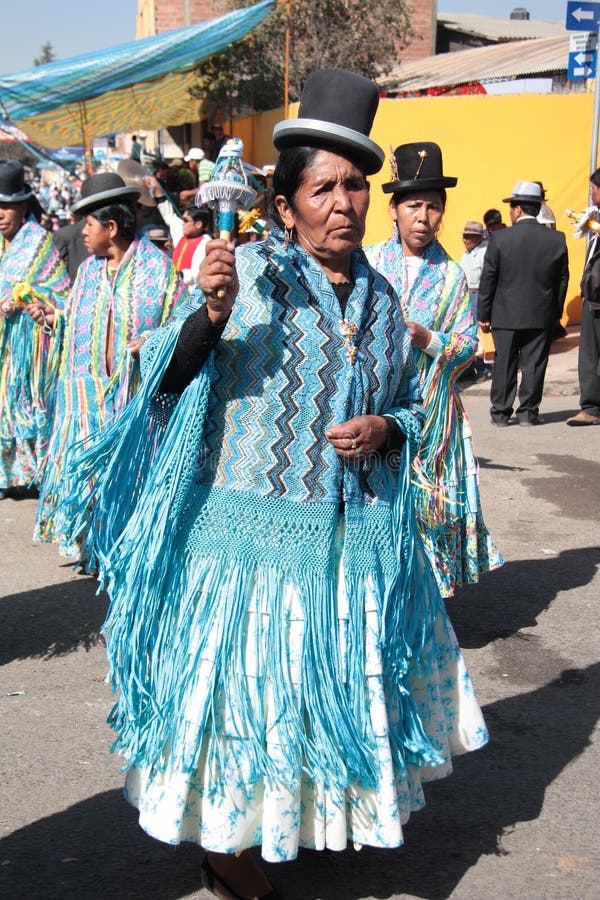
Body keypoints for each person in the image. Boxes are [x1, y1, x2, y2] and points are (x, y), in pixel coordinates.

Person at [70, 71, 488, 897]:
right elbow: (162, 379)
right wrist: (210, 316)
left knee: (315, 705)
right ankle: (226, 856)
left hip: (351, 545)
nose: (346, 203)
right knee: (248, 710)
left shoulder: (376, 293)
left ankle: (304, 827)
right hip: (249, 553)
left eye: (356, 187)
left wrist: (387, 429)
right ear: (286, 205)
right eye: (324, 187)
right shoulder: (247, 276)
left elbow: (411, 403)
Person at [366, 143, 502, 599]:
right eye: (413, 205)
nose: (423, 216)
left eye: (433, 206)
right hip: (373, 405)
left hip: (430, 417)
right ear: (394, 209)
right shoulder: (367, 263)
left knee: (424, 510)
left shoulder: (452, 277)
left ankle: (422, 604)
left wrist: (428, 338)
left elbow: (467, 347)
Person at [34, 173, 188, 563]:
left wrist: (153, 343)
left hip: (133, 406)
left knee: (128, 479)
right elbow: (77, 322)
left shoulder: (159, 271)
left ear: (112, 227)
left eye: (89, 223)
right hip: (88, 404)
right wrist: (53, 318)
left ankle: (124, 549)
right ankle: (93, 549)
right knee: (90, 478)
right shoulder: (87, 272)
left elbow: (181, 323)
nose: (82, 232)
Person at [0, 160, 70, 497]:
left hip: (28, 349)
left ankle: (32, 474)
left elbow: (61, 291)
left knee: (26, 406)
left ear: (23, 206)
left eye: (7, 206)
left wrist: (30, 297)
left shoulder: (39, 242)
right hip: (2, 344)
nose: (1, 214)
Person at [478, 180, 569, 427]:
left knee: (504, 363)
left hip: (504, 314)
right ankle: (528, 413)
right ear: (537, 208)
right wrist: (555, 313)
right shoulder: (557, 240)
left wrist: (483, 313)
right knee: (534, 364)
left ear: (518, 209)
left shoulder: (500, 239)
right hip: (541, 314)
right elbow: (562, 280)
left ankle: (500, 413)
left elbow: (489, 278)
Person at [566, 167, 600, 425]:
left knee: (591, 353)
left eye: (594, 188)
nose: (591, 192)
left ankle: (592, 406)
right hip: (593, 295)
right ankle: (591, 405)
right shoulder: (595, 218)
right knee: (589, 354)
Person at [148, 175, 212, 285]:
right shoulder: (183, 234)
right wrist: (158, 191)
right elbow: (169, 216)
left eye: (186, 221)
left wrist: (176, 275)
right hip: (176, 285)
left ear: (198, 224)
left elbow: (197, 273)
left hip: (191, 291)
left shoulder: (206, 242)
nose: (183, 224)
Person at [459, 219, 492, 382]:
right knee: (468, 332)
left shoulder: (485, 253)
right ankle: (471, 366)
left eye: (469, 236)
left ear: (478, 238)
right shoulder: (466, 254)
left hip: (480, 293)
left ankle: (484, 366)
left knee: (481, 332)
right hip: (468, 294)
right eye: (464, 236)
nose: (465, 240)